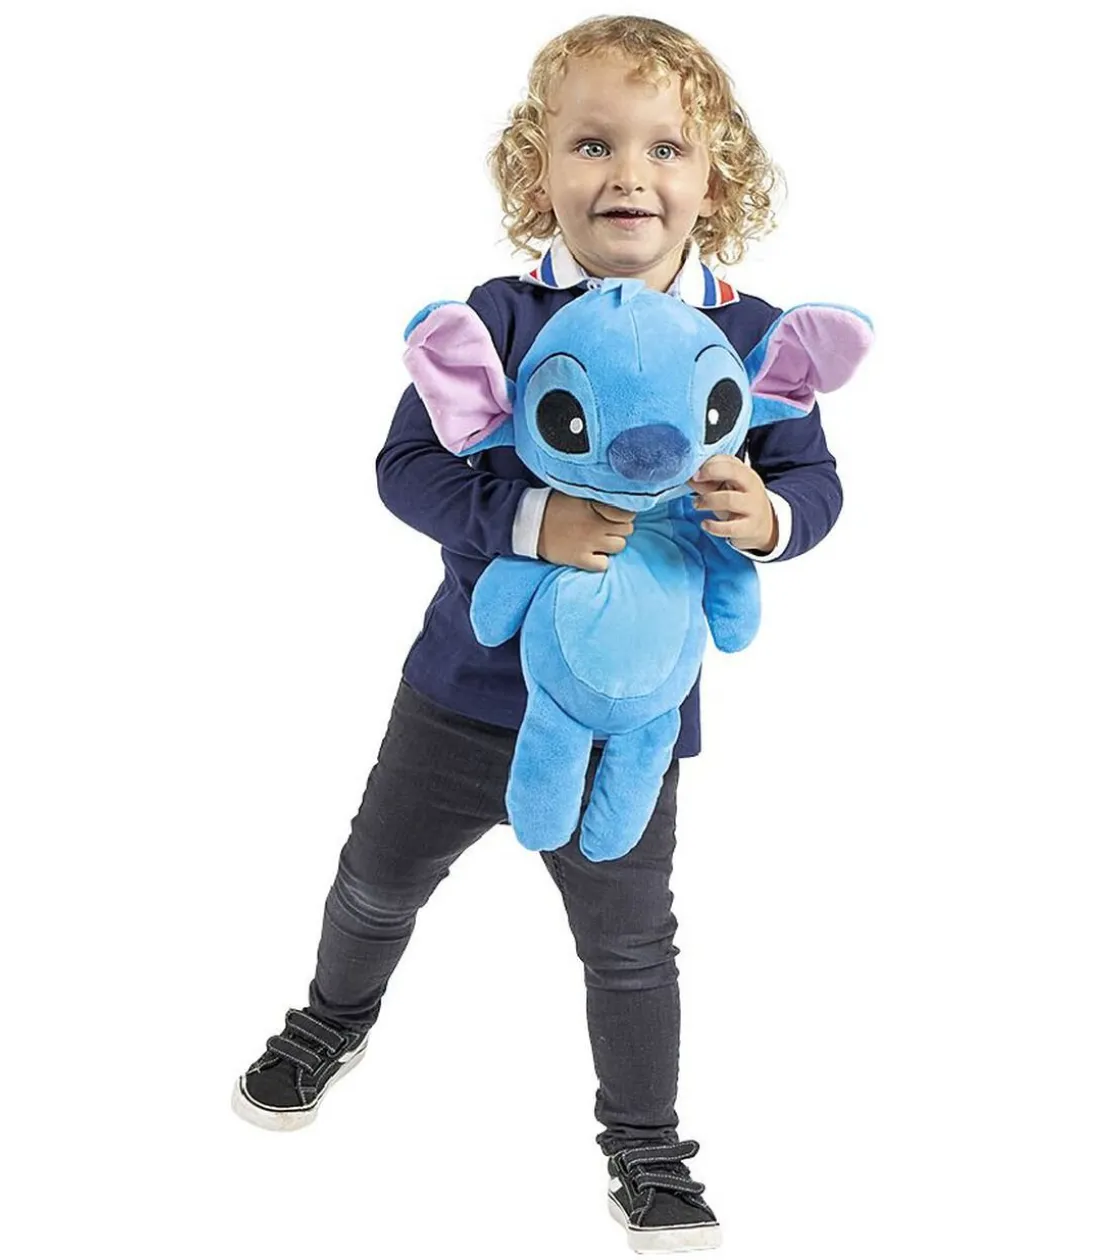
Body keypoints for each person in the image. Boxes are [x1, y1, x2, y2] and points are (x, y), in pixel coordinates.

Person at [232, 15, 844, 1253]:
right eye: (592, 144)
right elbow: (407, 466)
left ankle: (647, 1144)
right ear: (540, 169)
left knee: (631, 944)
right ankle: (331, 1018)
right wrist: (527, 520)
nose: (631, 176)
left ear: (714, 175)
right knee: (377, 879)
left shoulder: (751, 336)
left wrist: (771, 516)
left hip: (632, 719)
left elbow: (815, 482)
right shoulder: (501, 319)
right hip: (461, 692)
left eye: (667, 147)